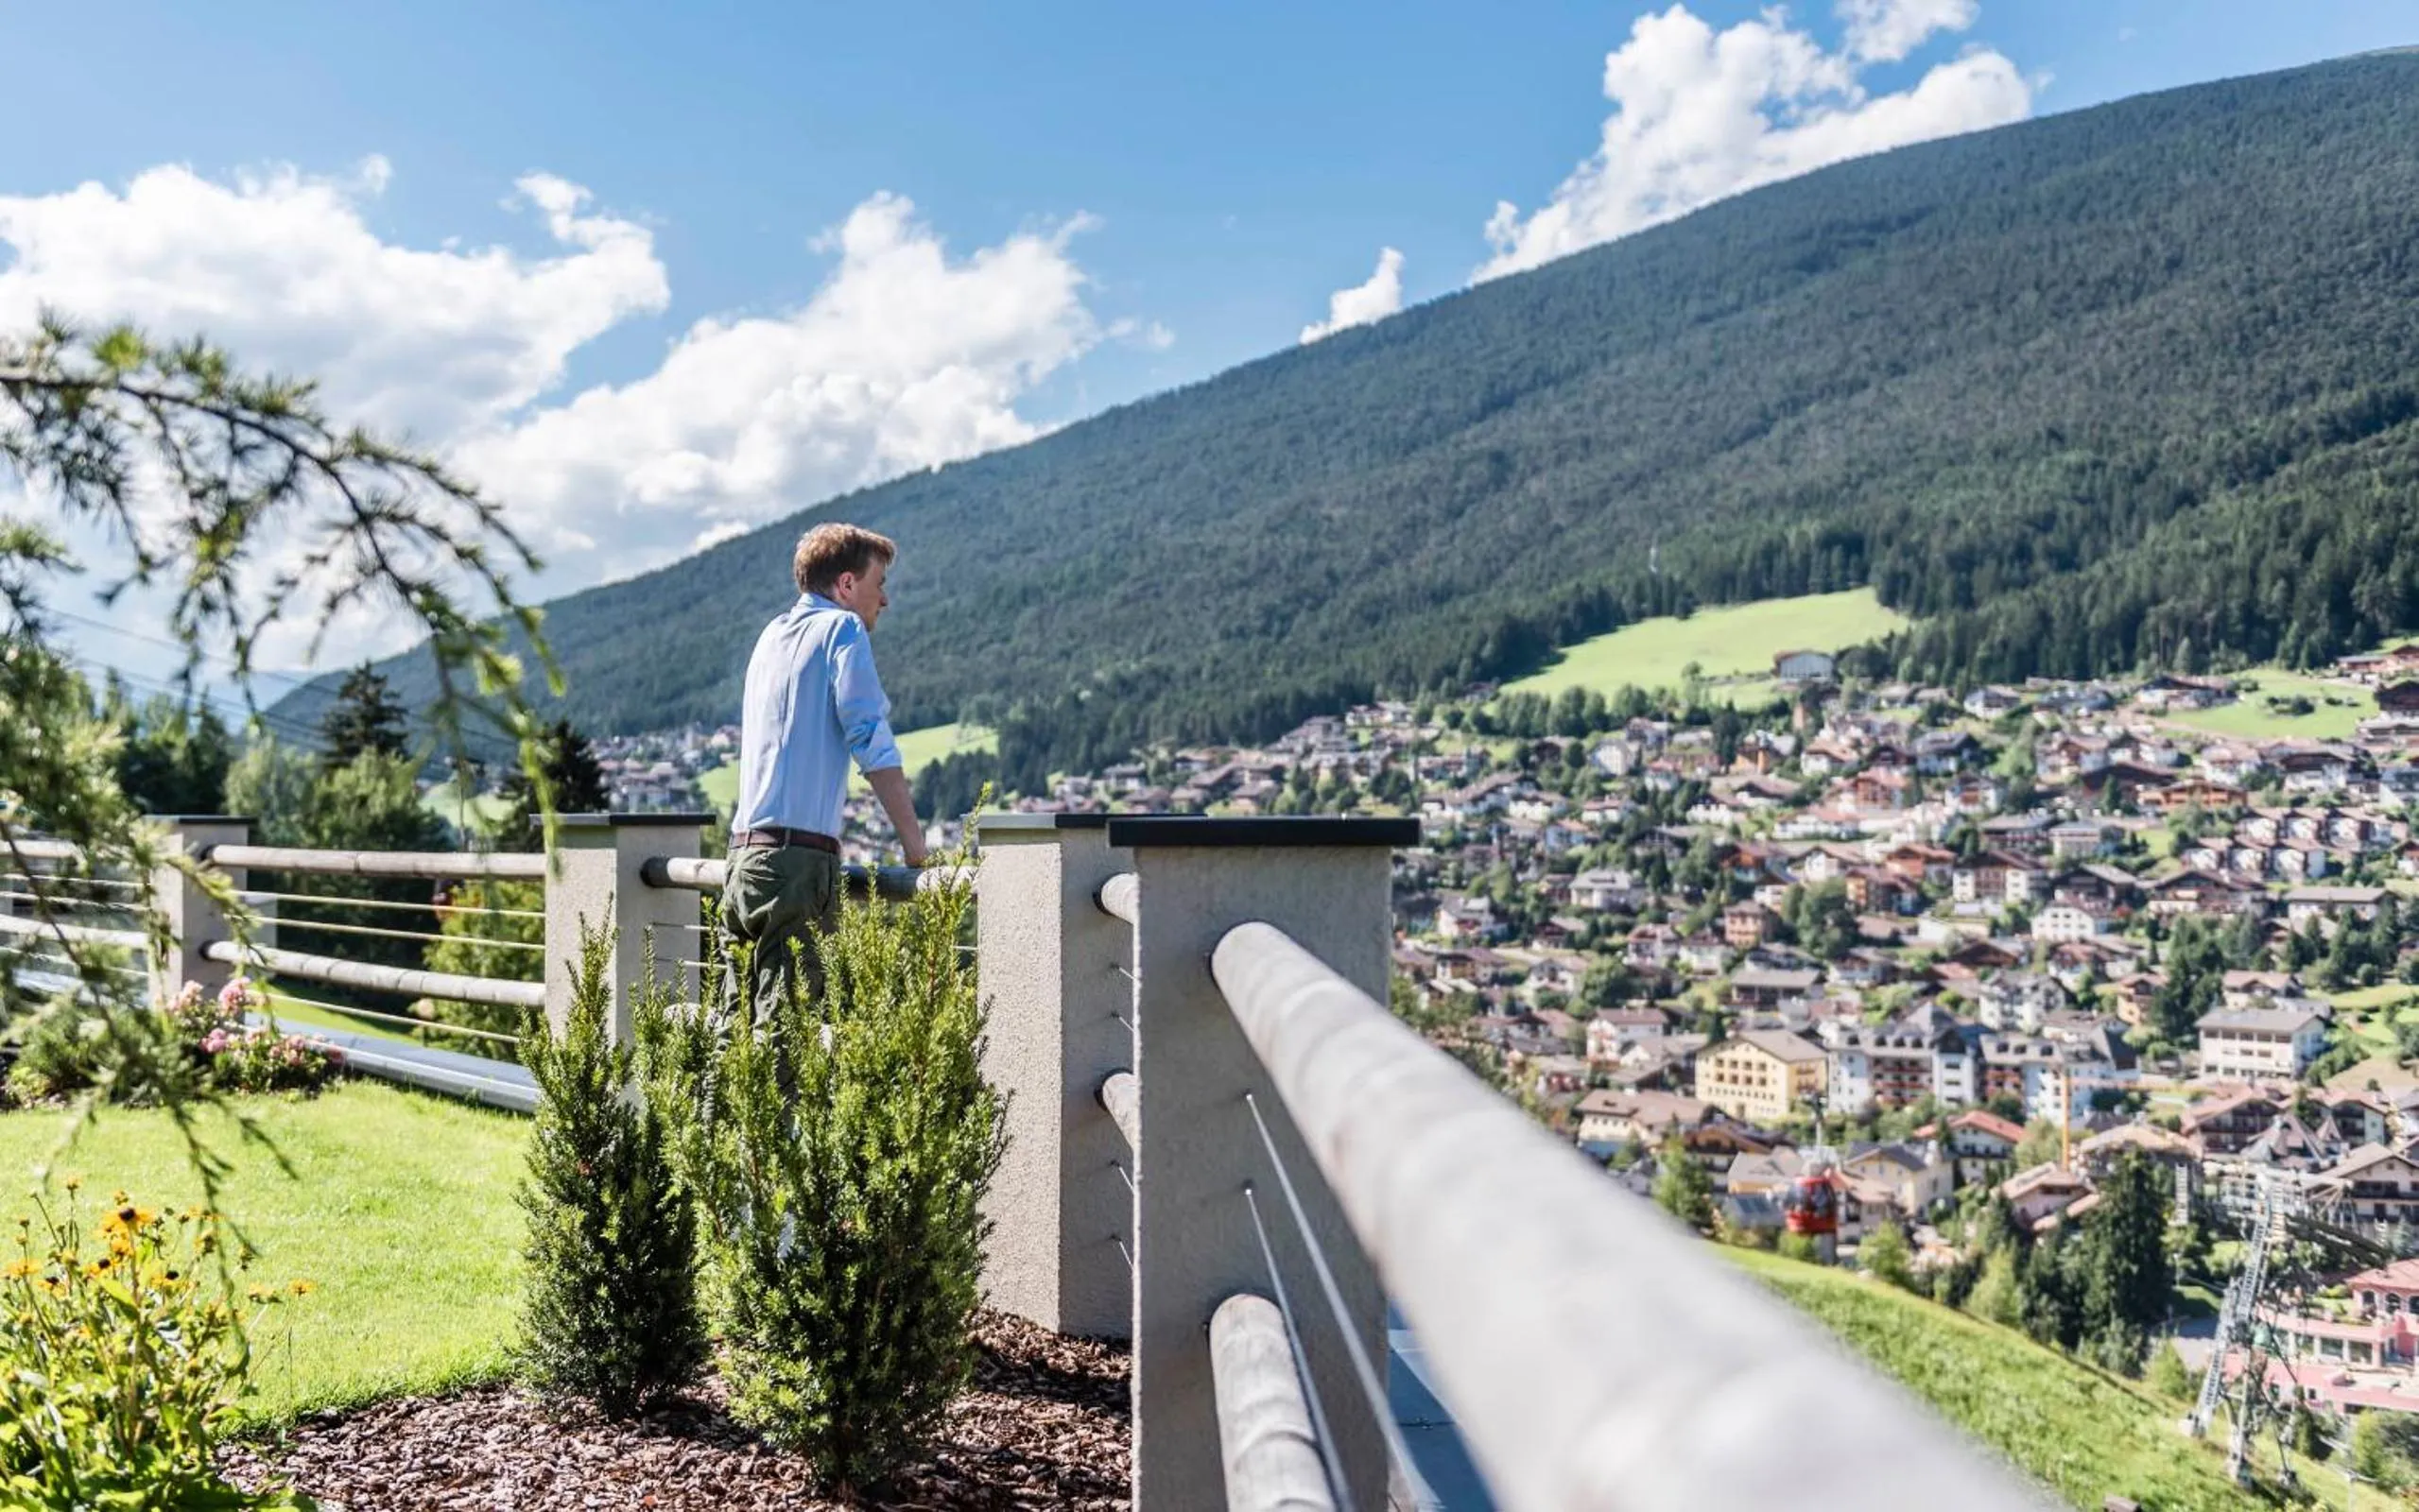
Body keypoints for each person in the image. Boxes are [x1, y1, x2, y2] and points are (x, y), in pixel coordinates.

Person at [721, 522, 927, 1022]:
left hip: (742, 860)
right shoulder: (842, 628)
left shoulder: (771, 635)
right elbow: (869, 737)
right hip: (795, 865)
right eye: (879, 584)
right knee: (786, 1040)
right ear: (847, 585)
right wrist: (916, 847)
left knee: (732, 1035)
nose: (885, 600)